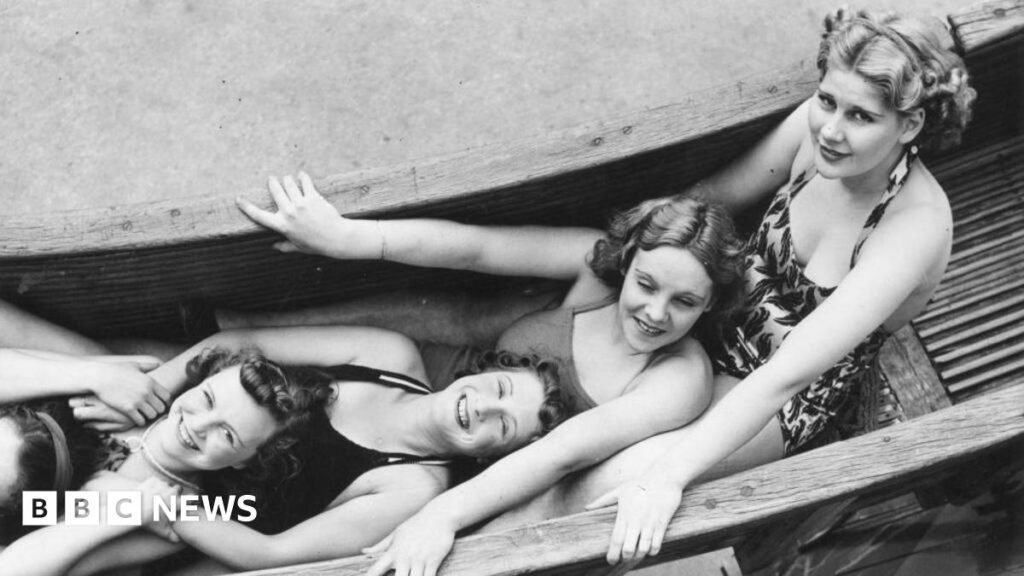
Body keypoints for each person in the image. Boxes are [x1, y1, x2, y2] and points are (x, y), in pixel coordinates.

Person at [520, 7, 976, 569]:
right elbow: (708, 201)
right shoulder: (818, 134)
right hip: (704, 317)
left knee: (604, 486)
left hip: (776, 392)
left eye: (861, 116)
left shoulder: (914, 227)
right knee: (554, 426)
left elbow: (786, 376)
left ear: (908, 126)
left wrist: (667, 477)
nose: (831, 129)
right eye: (828, 101)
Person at [236, 173, 746, 575]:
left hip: (477, 487)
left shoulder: (678, 376)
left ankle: (209, 525)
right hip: (433, 396)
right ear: (629, 260)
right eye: (646, 285)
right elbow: (474, 248)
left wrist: (441, 515)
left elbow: (561, 454)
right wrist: (348, 237)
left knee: (287, 528)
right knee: (271, 421)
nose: (655, 313)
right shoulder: (597, 276)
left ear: (711, 303)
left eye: (684, 302)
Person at [0, 318, 565, 574]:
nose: (484, 408)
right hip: (188, 412)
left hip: (212, 504)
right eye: (498, 391)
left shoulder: (412, 484)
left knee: (58, 519)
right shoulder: (388, 355)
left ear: (491, 455)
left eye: (502, 426)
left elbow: (272, 553)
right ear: (481, 372)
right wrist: (146, 388)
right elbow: (238, 344)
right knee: (68, 385)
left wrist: (151, 506)